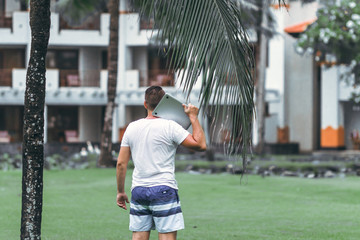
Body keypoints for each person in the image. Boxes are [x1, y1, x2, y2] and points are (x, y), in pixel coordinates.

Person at [116, 86, 206, 240]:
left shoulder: (131, 128)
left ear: (145, 104)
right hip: (163, 189)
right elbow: (200, 145)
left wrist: (120, 192)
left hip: (139, 190)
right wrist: (193, 117)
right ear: (164, 103)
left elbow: (121, 164)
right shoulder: (170, 126)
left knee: (138, 236)